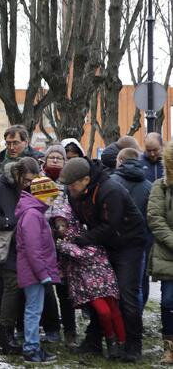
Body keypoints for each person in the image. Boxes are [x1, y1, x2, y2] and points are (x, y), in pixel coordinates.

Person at [59, 157, 146, 362]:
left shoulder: (110, 191)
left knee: (125, 295)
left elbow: (110, 225)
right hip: (103, 243)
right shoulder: (75, 193)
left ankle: (133, 345)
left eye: (72, 185)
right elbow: (80, 219)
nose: (69, 189)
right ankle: (94, 341)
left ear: (86, 179)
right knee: (98, 294)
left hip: (128, 245)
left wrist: (81, 240)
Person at [0, 157, 41, 354]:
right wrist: (5, 221)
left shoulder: (34, 187)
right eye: (26, 180)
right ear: (17, 174)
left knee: (11, 286)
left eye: (32, 180)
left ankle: (15, 330)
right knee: (12, 284)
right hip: (7, 246)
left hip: (28, 245)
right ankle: (6, 335)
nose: (29, 184)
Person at [52, 207, 125, 359]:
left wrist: (66, 247)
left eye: (63, 225)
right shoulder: (63, 242)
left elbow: (87, 253)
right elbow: (64, 264)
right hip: (86, 284)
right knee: (103, 312)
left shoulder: (85, 234)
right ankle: (111, 340)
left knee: (114, 310)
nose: (60, 229)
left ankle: (121, 343)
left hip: (104, 277)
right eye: (57, 225)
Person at [14, 175, 60, 364]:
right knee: (33, 310)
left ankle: (32, 346)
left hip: (33, 271)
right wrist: (43, 274)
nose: (53, 201)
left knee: (34, 309)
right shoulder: (33, 215)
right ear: (41, 195)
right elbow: (33, 249)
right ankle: (31, 349)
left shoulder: (34, 213)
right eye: (51, 197)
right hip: (34, 273)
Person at [40, 143, 78, 347]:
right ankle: (51, 328)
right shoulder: (38, 180)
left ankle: (70, 331)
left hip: (64, 241)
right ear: (45, 160)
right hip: (42, 240)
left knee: (65, 290)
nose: (55, 160)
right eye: (51, 157)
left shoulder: (70, 182)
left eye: (59, 158)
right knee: (45, 288)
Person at [111, 147, 153, 310]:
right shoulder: (148, 185)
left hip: (114, 241)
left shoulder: (111, 182)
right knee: (138, 285)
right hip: (140, 242)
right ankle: (136, 322)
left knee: (115, 283)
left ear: (120, 161)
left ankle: (118, 324)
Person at [147, 141, 173, 363]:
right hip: (167, 254)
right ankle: (169, 347)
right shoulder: (160, 186)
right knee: (168, 302)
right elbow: (155, 218)